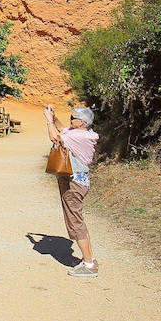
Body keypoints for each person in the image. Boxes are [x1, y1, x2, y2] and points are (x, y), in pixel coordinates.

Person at [45, 103, 99, 277]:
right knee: (77, 220)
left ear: (81, 123)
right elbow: (63, 129)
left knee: (75, 222)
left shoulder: (78, 137)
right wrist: (54, 118)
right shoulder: (83, 134)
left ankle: (89, 264)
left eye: (72, 119)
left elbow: (55, 137)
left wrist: (48, 121)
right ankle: (88, 259)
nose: (70, 121)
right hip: (78, 182)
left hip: (74, 184)